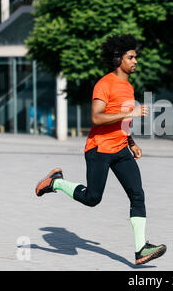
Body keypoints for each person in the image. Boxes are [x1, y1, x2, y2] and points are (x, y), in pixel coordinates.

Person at [35, 34, 166, 265]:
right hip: (100, 149)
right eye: (131, 57)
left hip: (121, 148)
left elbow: (122, 121)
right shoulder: (104, 84)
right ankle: (55, 181)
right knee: (93, 198)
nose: (136, 61)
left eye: (136, 57)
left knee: (137, 194)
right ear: (118, 59)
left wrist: (132, 142)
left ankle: (141, 249)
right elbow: (97, 117)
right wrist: (130, 113)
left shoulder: (128, 87)